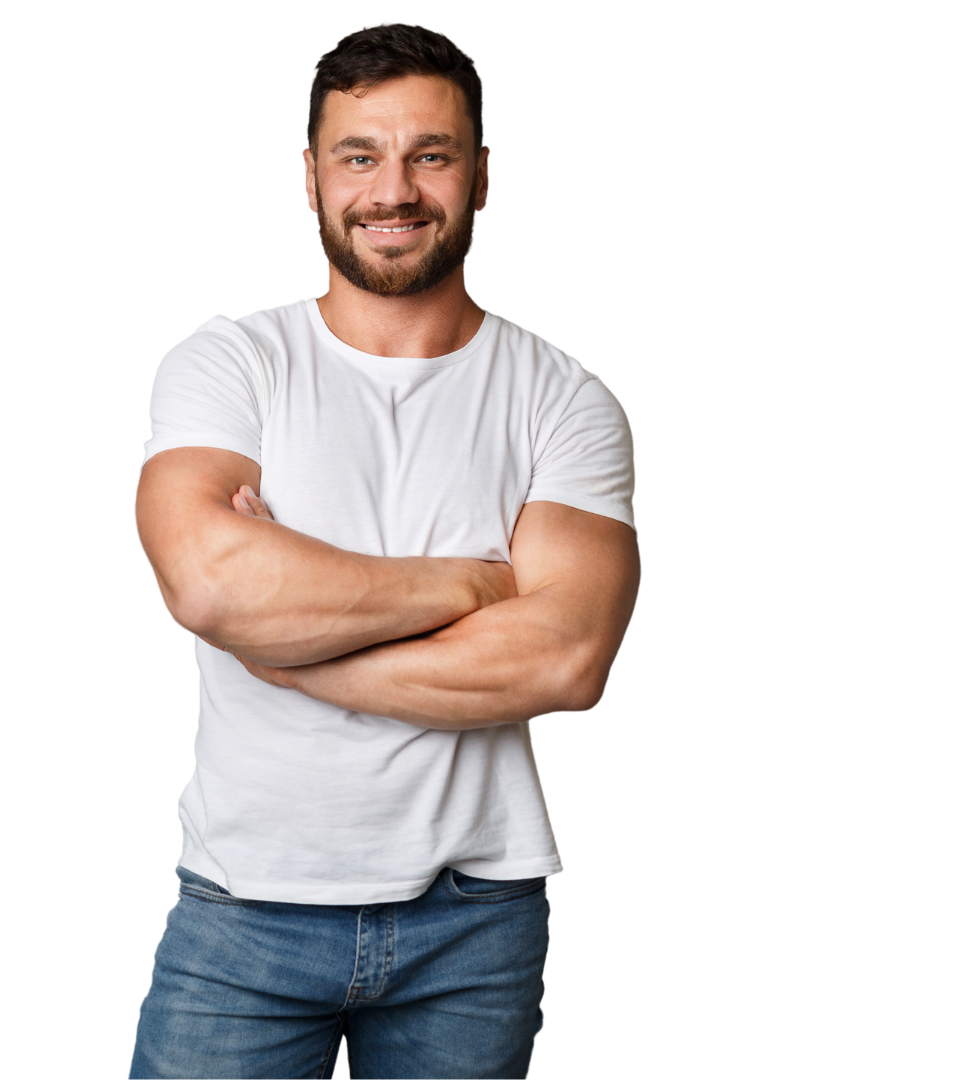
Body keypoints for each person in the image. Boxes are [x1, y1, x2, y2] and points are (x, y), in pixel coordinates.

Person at [129, 21, 640, 1080]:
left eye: (431, 155)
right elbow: (210, 580)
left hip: (476, 920)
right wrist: (474, 584)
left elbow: (563, 661)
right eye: (361, 156)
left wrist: (292, 649)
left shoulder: (565, 400)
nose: (393, 189)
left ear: (482, 178)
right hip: (242, 913)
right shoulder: (231, 363)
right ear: (312, 179)